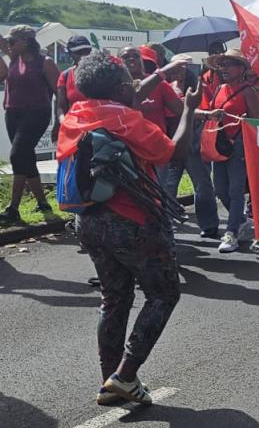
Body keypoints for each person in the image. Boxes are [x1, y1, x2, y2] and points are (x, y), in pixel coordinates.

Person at [57, 52, 199, 406]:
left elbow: (129, 92)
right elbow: (172, 154)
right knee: (164, 294)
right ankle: (125, 375)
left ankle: (110, 381)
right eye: (129, 85)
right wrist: (188, 111)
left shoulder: (75, 115)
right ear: (121, 88)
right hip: (132, 221)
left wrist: (162, 73)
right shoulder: (126, 119)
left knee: (114, 298)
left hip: (88, 221)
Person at [194, 50, 259, 253]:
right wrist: (212, 114)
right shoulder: (220, 88)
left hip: (238, 144)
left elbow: (255, 122)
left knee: (235, 189)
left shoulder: (249, 90)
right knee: (220, 189)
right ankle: (240, 221)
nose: (224, 68)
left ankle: (231, 233)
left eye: (229, 64)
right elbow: (206, 110)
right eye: (222, 64)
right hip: (219, 142)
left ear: (241, 69)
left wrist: (242, 123)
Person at [0, 25, 59, 221]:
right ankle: (43, 203)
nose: (8, 45)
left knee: (17, 155)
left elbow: (60, 93)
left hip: (36, 113)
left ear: (25, 42)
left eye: (12, 42)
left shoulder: (45, 62)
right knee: (26, 158)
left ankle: (13, 208)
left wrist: (59, 121)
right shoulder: (15, 58)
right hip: (12, 112)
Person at [158, 55, 220, 239]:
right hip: (172, 140)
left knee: (202, 185)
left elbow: (206, 107)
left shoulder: (201, 87)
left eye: (186, 66)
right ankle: (166, 224)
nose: (181, 70)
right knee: (168, 186)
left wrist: (207, 114)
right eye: (177, 66)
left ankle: (209, 225)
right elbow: (177, 109)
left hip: (194, 142)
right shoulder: (165, 89)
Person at [54, 35, 93, 138]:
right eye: (79, 53)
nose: (84, 56)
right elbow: (60, 107)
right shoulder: (65, 76)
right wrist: (64, 123)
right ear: (70, 54)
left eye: (87, 51)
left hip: (97, 128)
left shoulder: (101, 74)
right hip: (73, 129)